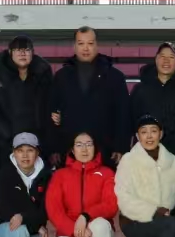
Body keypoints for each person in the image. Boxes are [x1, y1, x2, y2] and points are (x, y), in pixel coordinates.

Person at [46, 131, 118, 237]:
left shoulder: (107, 173)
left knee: (100, 224)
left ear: (95, 148)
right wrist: (73, 229)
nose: (84, 149)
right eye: (79, 145)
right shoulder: (60, 175)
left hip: (97, 233)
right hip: (70, 234)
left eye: (89, 144)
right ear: (72, 150)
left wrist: (85, 216)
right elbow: (54, 210)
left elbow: (111, 205)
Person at [49, 26, 130, 164]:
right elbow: (52, 113)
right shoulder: (61, 77)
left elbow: (123, 115)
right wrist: (53, 148)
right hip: (69, 151)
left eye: (90, 43)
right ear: (74, 46)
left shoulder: (115, 77)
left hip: (105, 152)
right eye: (81, 43)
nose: (86, 48)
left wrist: (120, 147)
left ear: (97, 45)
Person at [0, 34, 53, 181]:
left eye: (26, 50)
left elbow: (50, 107)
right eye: (18, 50)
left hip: (36, 145)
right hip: (4, 146)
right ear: (10, 53)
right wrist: (8, 134)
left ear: (33, 53)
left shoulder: (43, 78)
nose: (22, 54)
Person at [128, 42, 175, 170]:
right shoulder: (140, 89)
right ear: (156, 59)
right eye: (162, 56)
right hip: (146, 156)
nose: (166, 60)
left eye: (171, 57)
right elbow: (131, 121)